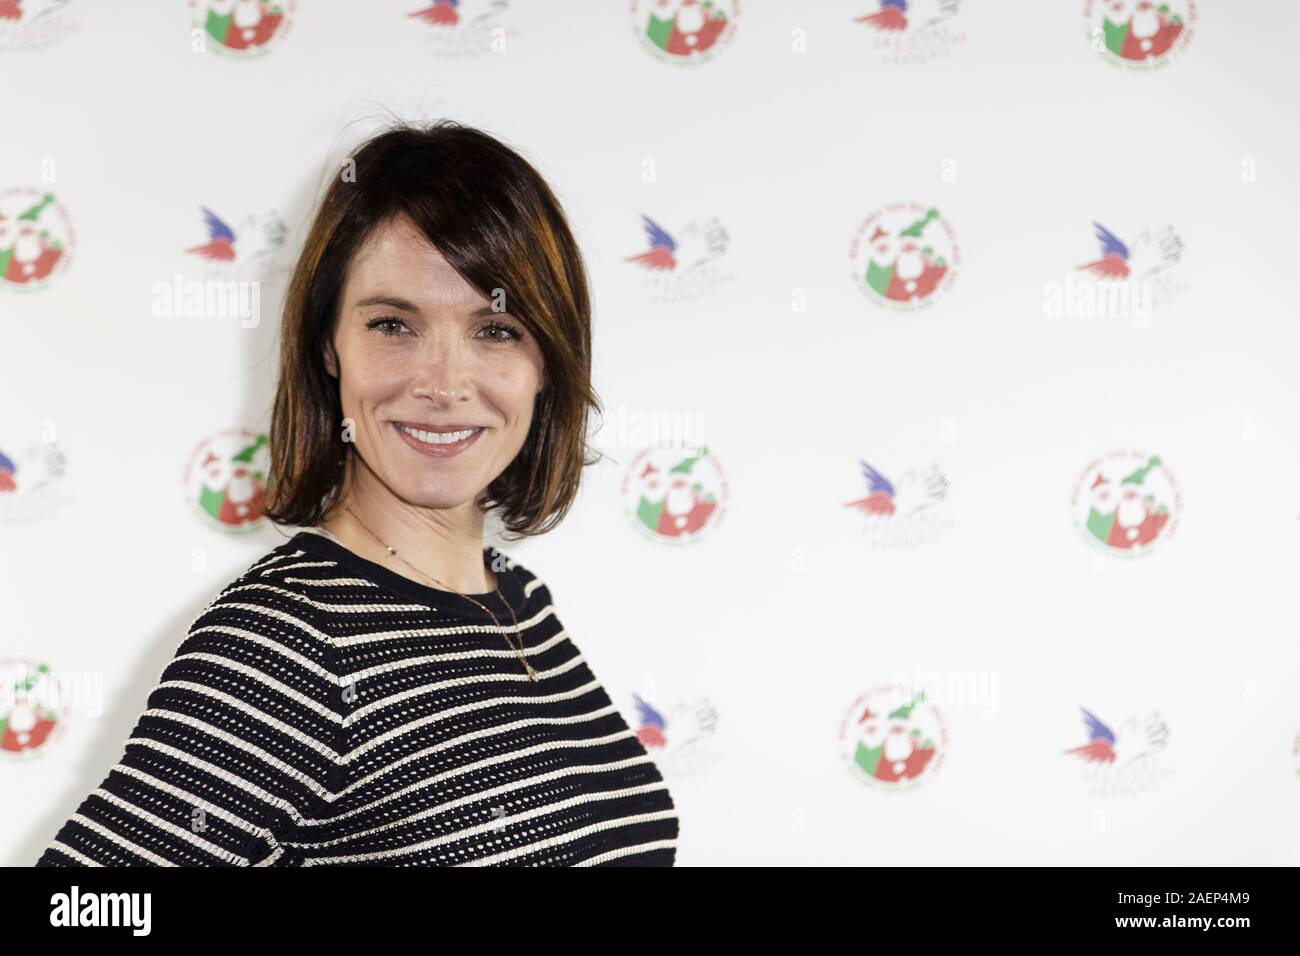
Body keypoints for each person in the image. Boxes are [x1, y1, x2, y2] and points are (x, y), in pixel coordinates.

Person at [35, 120, 680, 866]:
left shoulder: (517, 600)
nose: (442, 384)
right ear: (327, 347)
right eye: (392, 325)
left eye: (496, 330)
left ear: (548, 363)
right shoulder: (289, 643)